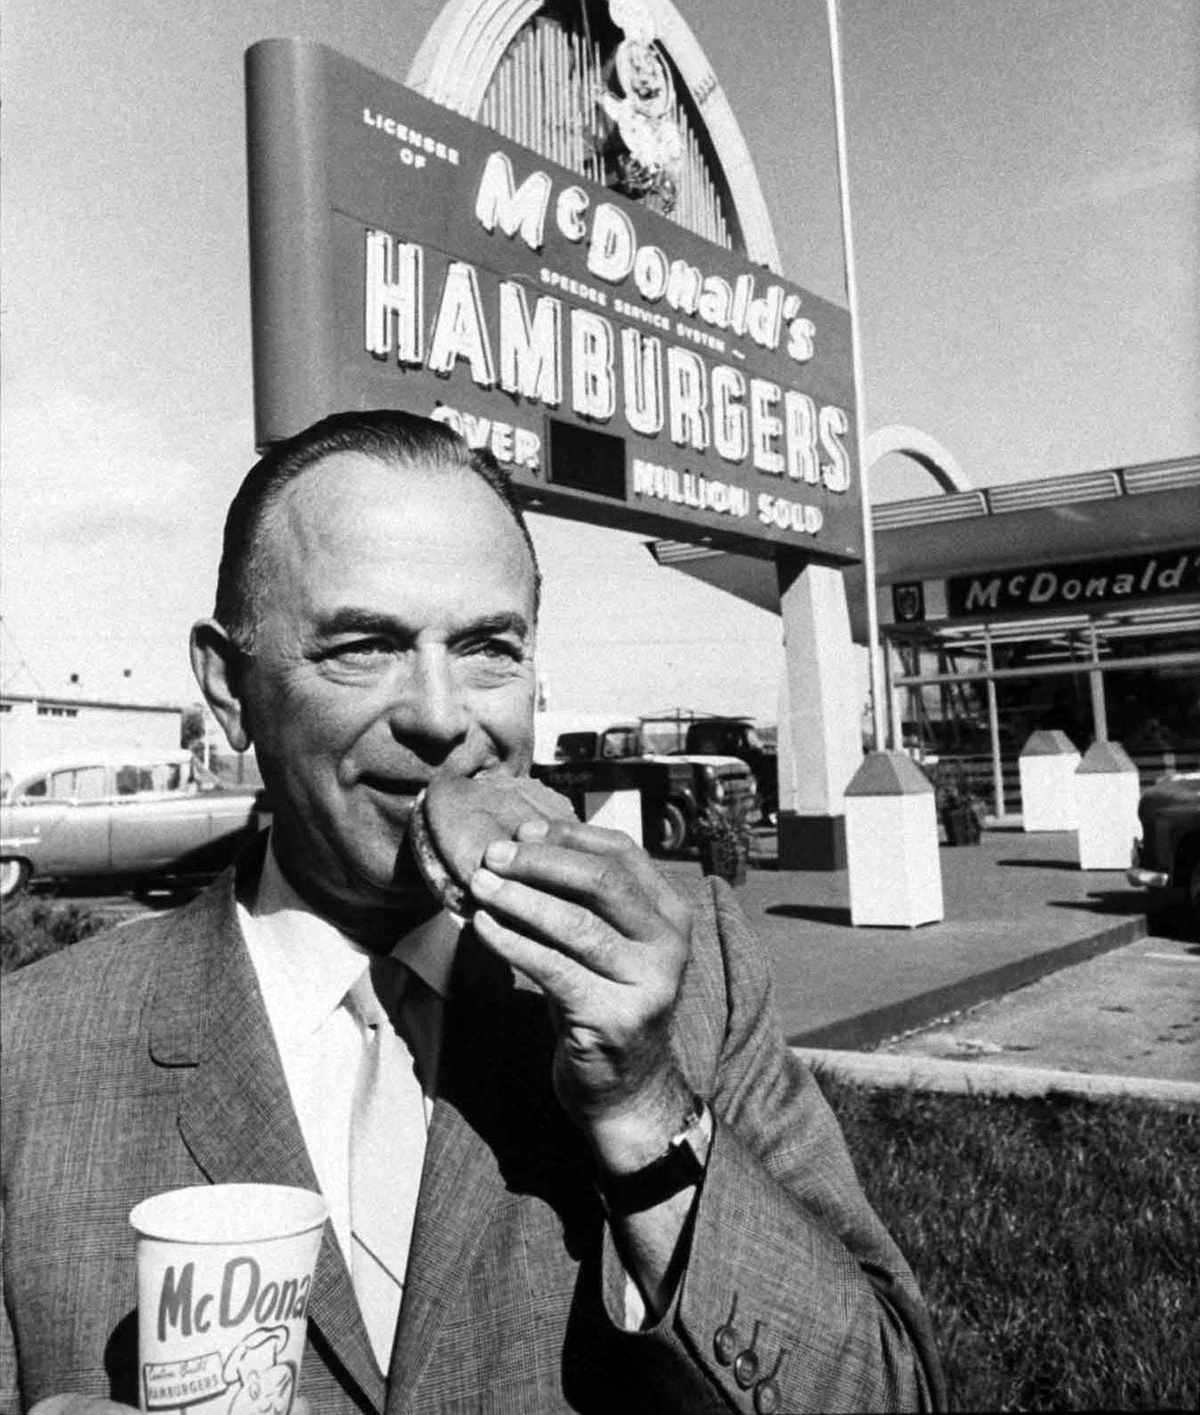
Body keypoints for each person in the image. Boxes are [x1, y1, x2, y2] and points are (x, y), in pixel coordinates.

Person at [1, 409, 945, 1413]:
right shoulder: (32, 1049)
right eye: (365, 646)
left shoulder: (691, 963)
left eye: (489, 648)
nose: (444, 716)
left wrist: (641, 1105)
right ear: (231, 689)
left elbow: (884, 1393)